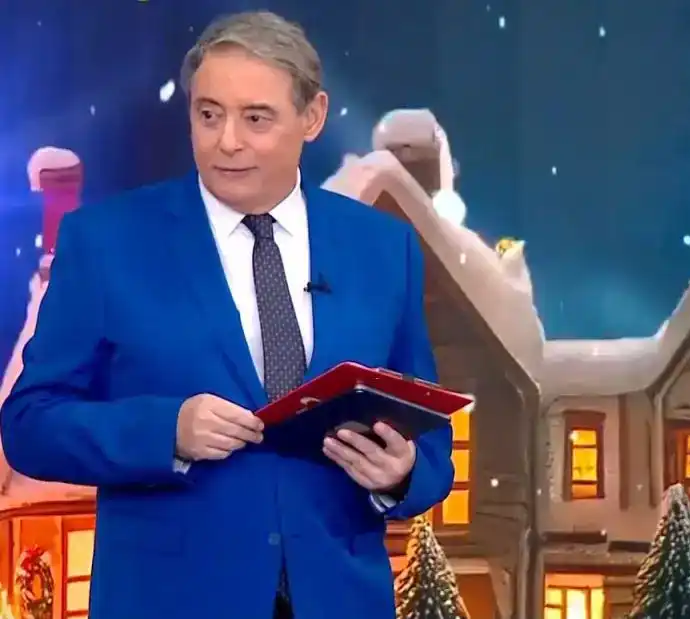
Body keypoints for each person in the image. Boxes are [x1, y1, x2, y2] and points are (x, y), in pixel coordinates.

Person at [0, 11, 454, 619]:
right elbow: (29, 425)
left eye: (256, 118)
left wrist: (401, 474)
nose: (227, 141)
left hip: (340, 599)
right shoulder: (107, 242)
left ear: (313, 116)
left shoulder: (382, 248)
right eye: (209, 114)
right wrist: (166, 432)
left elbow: (431, 442)